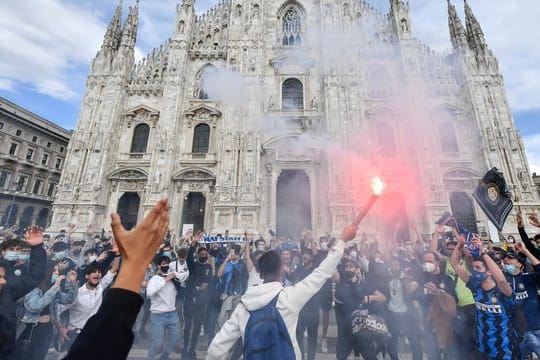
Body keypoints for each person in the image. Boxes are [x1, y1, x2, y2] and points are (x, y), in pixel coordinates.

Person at [206, 224, 358, 360]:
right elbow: (322, 272)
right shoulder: (289, 298)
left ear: (261, 273)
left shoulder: (244, 306)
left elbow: (216, 349)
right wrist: (343, 239)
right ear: (280, 271)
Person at [62, 198, 170, 360]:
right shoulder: (82, 288)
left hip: (91, 330)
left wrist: (133, 261)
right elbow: (103, 345)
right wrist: (136, 262)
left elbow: (96, 351)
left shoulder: (99, 286)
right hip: (76, 330)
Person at [451, 233, 519, 360]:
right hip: (484, 348)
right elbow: (455, 264)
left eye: (478, 268)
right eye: (474, 268)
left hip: (506, 349)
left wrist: (483, 251)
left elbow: (502, 280)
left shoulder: (502, 290)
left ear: (488, 271)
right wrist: (460, 244)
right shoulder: (475, 287)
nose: (475, 271)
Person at [0, 226, 47, 360]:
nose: (3, 281)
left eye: (3, 278)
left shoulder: (9, 288)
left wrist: (37, 249)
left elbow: (34, 276)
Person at [58, 252, 120, 350]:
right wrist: (60, 329)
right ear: (87, 276)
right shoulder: (77, 293)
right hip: (75, 335)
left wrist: (117, 255)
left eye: (99, 272)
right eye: (93, 272)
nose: (97, 274)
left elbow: (113, 270)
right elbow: (58, 310)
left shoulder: (100, 287)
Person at [14, 266, 78, 360]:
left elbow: (68, 299)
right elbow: (35, 306)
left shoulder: (54, 289)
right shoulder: (34, 289)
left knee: (40, 355)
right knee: (26, 355)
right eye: (54, 270)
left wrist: (72, 283)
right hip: (32, 329)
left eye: (58, 271)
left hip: (48, 328)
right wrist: (55, 287)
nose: (57, 273)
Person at [335, 258, 387, 360]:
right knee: (341, 356)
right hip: (344, 329)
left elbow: (383, 298)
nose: (348, 269)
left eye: (351, 266)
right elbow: (333, 274)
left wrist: (369, 298)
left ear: (357, 269)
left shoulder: (363, 284)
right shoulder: (341, 280)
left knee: (369, 356)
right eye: (346, 266)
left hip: (361, 328)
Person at [502, 243, 540, 358]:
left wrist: (526, 251)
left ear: (520, 264)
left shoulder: (528, 277)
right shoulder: (501, 280)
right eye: (504, 259)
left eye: (510, 258)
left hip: (536, 328)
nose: (506, 261)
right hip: (515, 331)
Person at [183, 233, 213, 360]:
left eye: (205, 254)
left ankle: (192, 350)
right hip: (189, 299)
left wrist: (199, 287)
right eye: (202, 254)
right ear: (198, 255)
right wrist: (193, 243)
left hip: (201, 301)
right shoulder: (193, 264)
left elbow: (206, 284)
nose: (204, 256)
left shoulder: (209, 267)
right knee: (188, 326)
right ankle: (185, 348)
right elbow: (189, 256)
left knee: (196, 328)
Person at [146, 255, 180, 360]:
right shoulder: (155, 279)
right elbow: (149, 293)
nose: (167, 265)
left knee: (175, 339)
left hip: (172, 314)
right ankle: (150, 357)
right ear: (159, 266)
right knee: (157, 344)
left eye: (168, 263)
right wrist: (165, 280)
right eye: (164, 263)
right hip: (158, 315)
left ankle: (165, 356)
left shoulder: (174, 279)